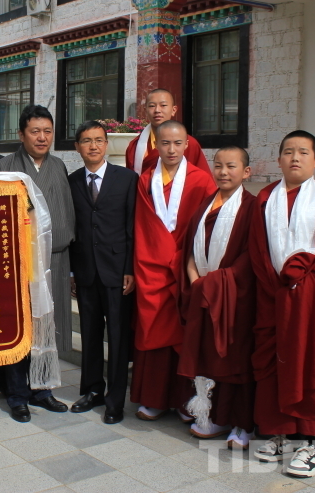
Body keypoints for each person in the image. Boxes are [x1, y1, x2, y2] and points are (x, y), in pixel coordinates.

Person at [249, 130, 315, 478]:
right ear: (279, 159)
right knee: (276, 368)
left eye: (303, 152)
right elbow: (257, 251)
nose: (295, 158)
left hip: (313, 303)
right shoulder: (265, 198)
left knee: (311, 365)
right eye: (288, 152)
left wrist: (299, 284)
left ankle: (311, 445)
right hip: (274, 298)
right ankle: (280, 435)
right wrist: (277, 287)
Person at [0, 105, 74, 422]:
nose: (42, 137)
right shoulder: (5, 166)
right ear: (21, 134)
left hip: (55, 260)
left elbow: (67, 213)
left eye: (47, 131)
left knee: (46, 327)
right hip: (19, 263)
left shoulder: (58, 166)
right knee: (20, 329)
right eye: (35, 131)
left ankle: (43, 389)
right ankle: (17, 395)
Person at [131, 120, 216, 422]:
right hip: (152, 265)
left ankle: (184, 400)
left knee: (185, 333)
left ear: (187, 145)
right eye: (165, 143)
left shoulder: (202, 180)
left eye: (177, 143)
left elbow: (207, 227)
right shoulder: (145, 179)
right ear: (157, 145)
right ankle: (154, 399)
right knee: (153, 328)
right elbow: (142, 225)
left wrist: (186, 261)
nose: (171, 149)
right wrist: (159, 258)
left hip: (185, 265)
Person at [177, 146, 257, 449]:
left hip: (235, 298)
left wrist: (213, 285)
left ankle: (241, 423)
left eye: (231, 166)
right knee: (207, 358)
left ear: (246, 172)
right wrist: (197, 283)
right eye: (218, 165)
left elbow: (250, 257)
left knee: (234, 360)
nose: (223, 172)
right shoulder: (205, 206)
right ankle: (212, 415)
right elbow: (190, 250)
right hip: (204, 295)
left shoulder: (253, 208)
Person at [67, 121, 136, 424]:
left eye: (98, 140)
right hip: (86, 271)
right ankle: (92, 390)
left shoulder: (127, 179)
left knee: (118, 337)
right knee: (90, 334)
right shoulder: (71, 181)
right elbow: (72, 228)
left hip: (117, 272)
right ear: (77, 147)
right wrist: (72, 271)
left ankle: (115, 400)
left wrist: (130, 268)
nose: (93, 146)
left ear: (106, 144)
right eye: (86, 141)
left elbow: (133, 226)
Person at [124, 89, 210, 175]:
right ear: (145, 110)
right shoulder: (134, 146)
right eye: (152, 106)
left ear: (173, 110)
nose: (157, 110)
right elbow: (131, 180)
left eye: (163, 105)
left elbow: (203, 178)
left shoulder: (190, 143)